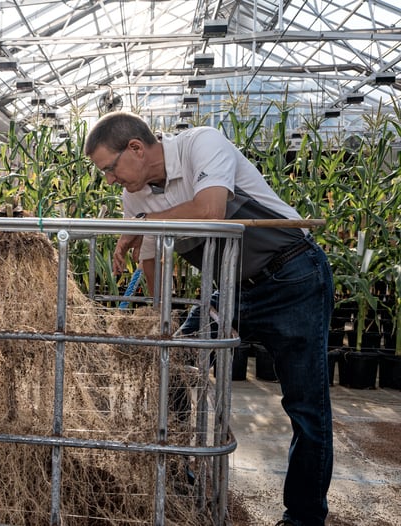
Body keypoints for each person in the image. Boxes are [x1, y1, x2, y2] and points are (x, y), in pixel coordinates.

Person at [85, 112, 334, 526]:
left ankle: (304, 517)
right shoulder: (136, 196)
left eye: (110, 168)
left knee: (306, 406)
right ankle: (178, 484)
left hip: (293, 275)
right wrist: (159, 324)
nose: (110, 180)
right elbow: (151, 261)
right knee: (174, 369)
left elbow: (211, 209)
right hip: (233, 291)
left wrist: (144, 223)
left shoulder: (202, 144)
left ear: (136, 148)